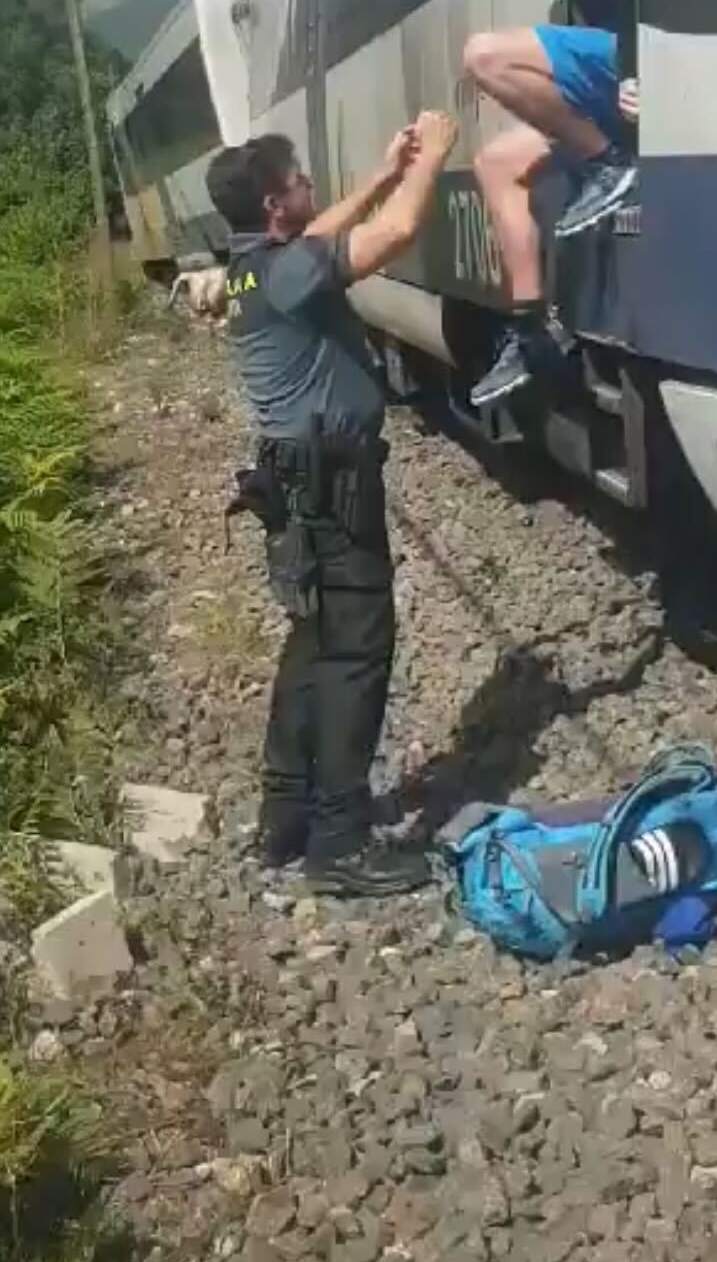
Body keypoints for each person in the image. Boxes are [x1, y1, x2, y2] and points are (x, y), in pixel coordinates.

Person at [206, 110, 457, 898]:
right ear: (274, 203)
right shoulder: (287, 272)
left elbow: (320, 235)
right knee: (355, 651)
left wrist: (382, 172)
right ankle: (340, 843)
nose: (310, 185)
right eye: (299, 180)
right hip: (332, 486)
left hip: (296, 483)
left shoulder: (251, 266)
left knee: (313, 639)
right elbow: (395, 233)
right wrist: (432, 158)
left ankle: (284, 815)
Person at [452, 0, 638, 409]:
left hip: (642, 59)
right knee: (497, 164)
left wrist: (635, 70)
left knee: (485, 56)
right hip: (623, 67)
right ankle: (531, 329)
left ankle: (608, 165)